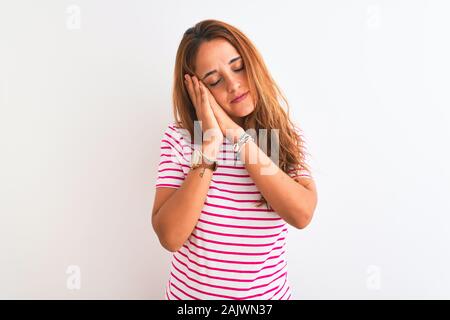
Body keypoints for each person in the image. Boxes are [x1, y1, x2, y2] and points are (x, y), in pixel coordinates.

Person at [151, 19, 318, 300]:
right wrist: (211, 143)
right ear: (197, 91)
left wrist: (236, 135)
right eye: (215, 80)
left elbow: (301, 215)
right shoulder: (180, 139)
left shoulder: (283, 135)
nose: (233, 84)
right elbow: (170, 236)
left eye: (238, 67)